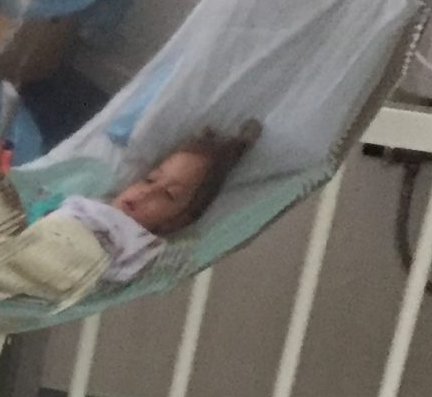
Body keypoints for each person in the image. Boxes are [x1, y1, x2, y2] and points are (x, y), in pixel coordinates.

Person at [27, 120, 260, 287]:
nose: (147, 193)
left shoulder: (141, 246)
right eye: (150, 179)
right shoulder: (90, 198)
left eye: (169, 196)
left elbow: (174, 262)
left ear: (177, 220)